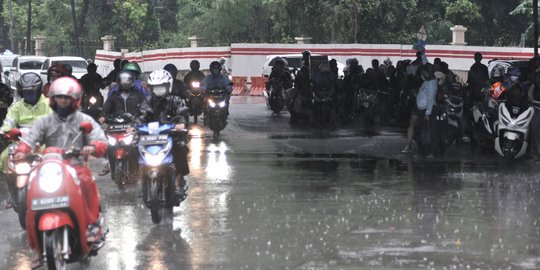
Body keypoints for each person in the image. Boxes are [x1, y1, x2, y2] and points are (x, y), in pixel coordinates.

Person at [14, 77, 107, 265]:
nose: (62, 101)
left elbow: (100, 139)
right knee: (31, 188)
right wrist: (22, 151)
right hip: (49, 166)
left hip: (76, 165)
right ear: (53, 99)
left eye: (66, 98)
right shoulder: (45, 121)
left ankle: (92, 225)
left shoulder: (84, 120)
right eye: (59, 98)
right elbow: (29, 140)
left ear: (75, 99)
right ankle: (37, 245)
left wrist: (94, 147)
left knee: (87, 182)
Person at [131, 69, 189, 202]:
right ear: (151, 88)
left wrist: (180, 123)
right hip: (150, 137)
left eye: (161, 87)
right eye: (156, 88)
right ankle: (141, 179)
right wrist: (134, 126)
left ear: (168, 86)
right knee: (133, 147)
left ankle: (178, 181)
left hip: (172, 136)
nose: (159, 90)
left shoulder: (176, 100)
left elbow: (182, 113)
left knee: (181, 147)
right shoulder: (148, 102)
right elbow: (141, 115)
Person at [0, 73, 51, 208]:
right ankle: (12, 195)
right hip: (21, 144)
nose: (29, 94)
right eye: (26, 92)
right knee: (5, 157)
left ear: (39, 90)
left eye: (32, 92)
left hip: (44, 144)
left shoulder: (49, 104)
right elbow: (8, 123)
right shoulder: (16, 107)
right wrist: (7, 131)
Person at [98, 70, 146, 176]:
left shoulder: (138, 95)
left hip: (133, 126)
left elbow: (145, 108)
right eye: (123, 80)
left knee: (141, 143)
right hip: (116, 126)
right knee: (106, 143)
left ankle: (144, 165)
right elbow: (106, 108)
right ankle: (107, 164)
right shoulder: (114, 96)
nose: (125, 83)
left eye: (127, 80)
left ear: (132, 81)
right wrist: (102, 116)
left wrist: (141, 118)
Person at [402, 63, 438, 156]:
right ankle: (409, 145)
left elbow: (430, 99)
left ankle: (431, 151)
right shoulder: (429, 80)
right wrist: (422, 54)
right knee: (412, 124)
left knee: (429, 130)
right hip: (419, 108)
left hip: (426, 109)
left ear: (427, 72)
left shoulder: (431, 84)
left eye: (423, 72)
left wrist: (427, 113)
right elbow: (426, 64)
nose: (422, 74)